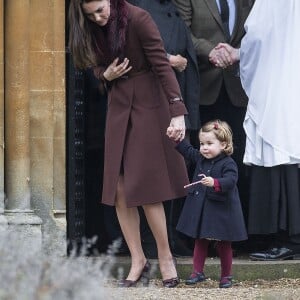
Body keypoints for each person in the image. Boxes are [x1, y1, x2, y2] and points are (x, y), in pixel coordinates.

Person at [68, 0, 190, 287]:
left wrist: (178, 113)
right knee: (119, 187)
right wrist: (104, 75)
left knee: (145, 186)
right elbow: (90, 66)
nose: (98, 18)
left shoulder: (139, 18)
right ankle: (138, 260)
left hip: (148, 102)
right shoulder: (88, 27)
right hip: (119, 104)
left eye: (100, 9)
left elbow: (162, 66)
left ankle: (165, 256)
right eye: (91, 14)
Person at [213, 0, 300, 261]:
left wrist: (237, 53)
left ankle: (287, 238)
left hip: (278, 85)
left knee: (279, 156)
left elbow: (259, 34)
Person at [173, 0, 254, 236]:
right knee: (200, 164)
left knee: (236, 162)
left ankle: (235, 235)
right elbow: (181, 30)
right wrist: (212, 51)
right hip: (203, 91)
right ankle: (197, 234)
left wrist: (237, 53)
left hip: (240, 89)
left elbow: (256, 30)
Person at [127, 0, 201, 257]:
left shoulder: (171, 7)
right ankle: (152, 243)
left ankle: (170, 237)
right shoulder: (135, 7)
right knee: (151, 174)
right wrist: (169, 59)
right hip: (152, 102)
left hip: (177, 99)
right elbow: (128, 48)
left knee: (174, 171)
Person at [167, 120, 247, 288]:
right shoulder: (200, 158)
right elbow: (188, 151)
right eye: (202, 143)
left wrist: (215, 182)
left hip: (221, 210)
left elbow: (231, 181)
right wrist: (177, 139)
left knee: (224, 243)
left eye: (209, 143)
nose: (204, 147)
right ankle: (197, 272)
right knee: (200, 240)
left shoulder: (229, 163)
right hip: (203, 209)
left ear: (223, 144)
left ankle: (226, 276)